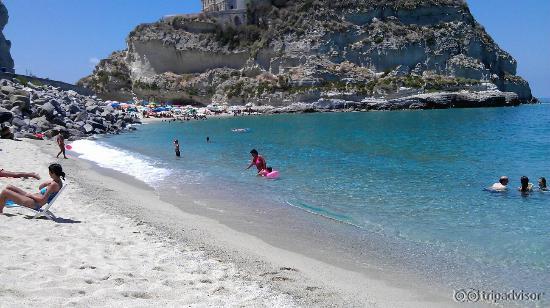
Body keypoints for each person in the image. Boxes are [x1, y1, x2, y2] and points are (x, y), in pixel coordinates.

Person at [0, 163, 65, 214]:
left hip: (34, 203)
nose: (49, 173)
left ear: (52, 172)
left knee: (5, 192)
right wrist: (47, 183)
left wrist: (30, 195)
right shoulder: (57, 182)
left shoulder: (53, 185)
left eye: (49, 172)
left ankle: (0, 211)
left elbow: (43, 200)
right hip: (33, 198)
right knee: (9, 187)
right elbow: (40, 187)